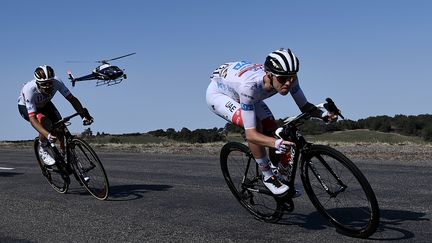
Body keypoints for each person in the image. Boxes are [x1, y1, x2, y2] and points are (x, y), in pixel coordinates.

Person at [206, 48, 338, 195]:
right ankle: (268, 176)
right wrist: (275, 143)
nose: (288, 83)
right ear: (269, 75)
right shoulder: (250, 87)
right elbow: (251, 135)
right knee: (255, 125)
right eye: (283, 79)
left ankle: (278, 173)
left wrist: (325, 115)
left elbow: (305, 106)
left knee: (272, 128)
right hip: (221, 94)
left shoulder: (287, 77)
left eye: (292, 77)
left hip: (246, 91)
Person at [18, 65, 94, 166]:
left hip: (45, 104)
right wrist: (47, 135)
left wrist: (83, 115)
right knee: (45, 122)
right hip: (27, 107)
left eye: (50, 83)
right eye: (45, 84)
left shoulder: (57, 82)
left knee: (60, 128)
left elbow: (72, 99)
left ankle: (64, 154)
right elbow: (32, 119)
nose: (49, 86)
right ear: (37, 83)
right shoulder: (29, 90)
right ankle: (43, 148)